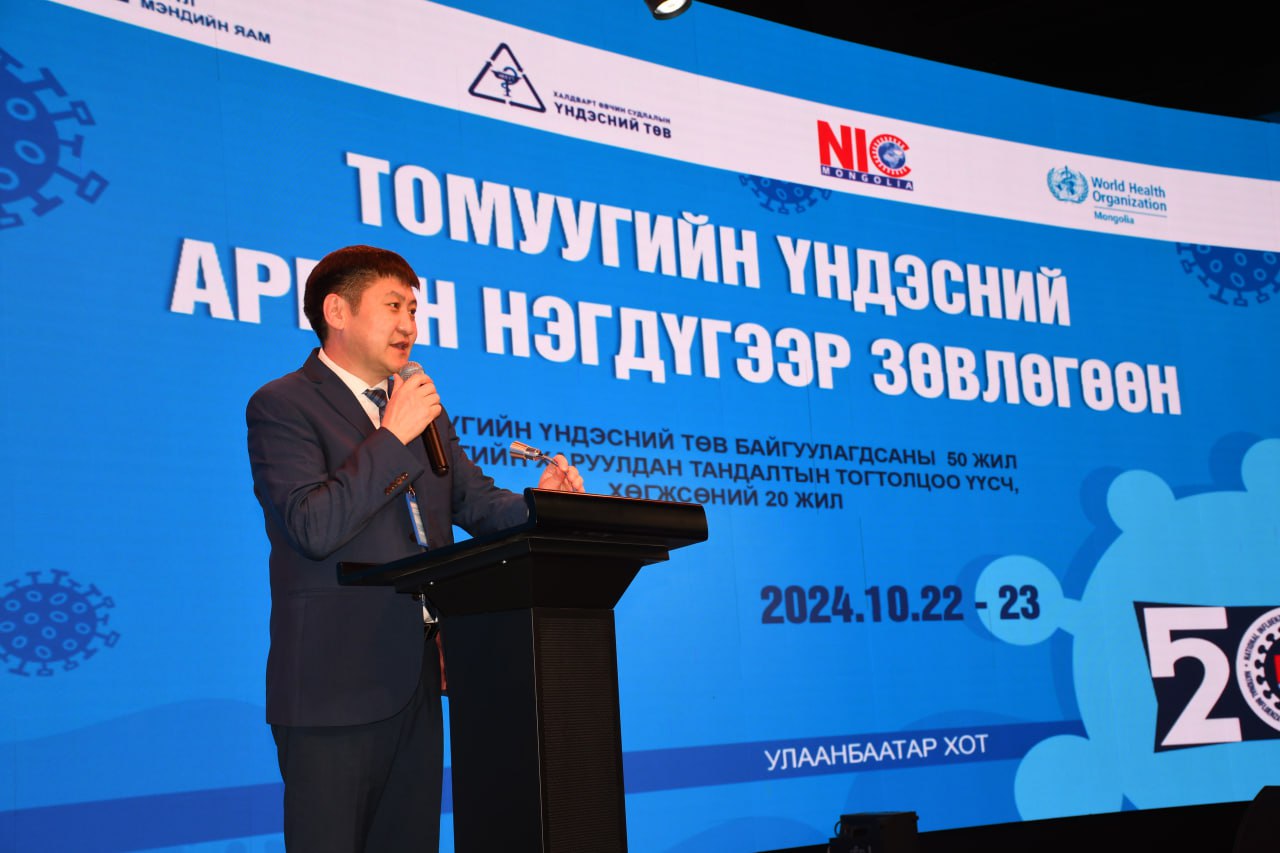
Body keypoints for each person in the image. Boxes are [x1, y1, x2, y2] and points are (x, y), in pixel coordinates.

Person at [246, 244, 583, 852]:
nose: (409, 324)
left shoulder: (420, 408)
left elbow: (475, 502)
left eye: (413, 309)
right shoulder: (284, 404)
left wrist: (543, 505)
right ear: (337, 311)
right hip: (332, 686)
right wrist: (392, 435)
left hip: (420, 676)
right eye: (393, 306)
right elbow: (312, 525)